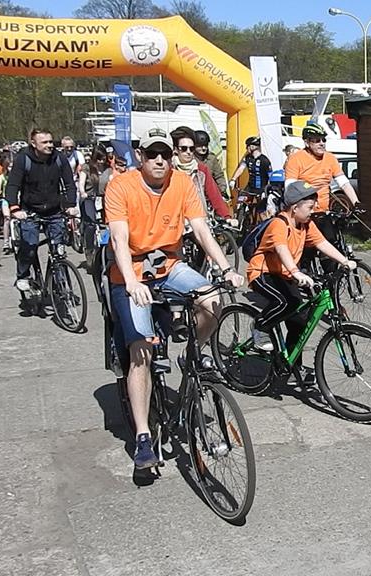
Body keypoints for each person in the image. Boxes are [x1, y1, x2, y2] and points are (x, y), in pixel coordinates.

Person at [104, 128, 244, 470]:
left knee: (213, 300)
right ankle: (142, 436)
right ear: (140, 156)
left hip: (169, 266)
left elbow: (201, 229)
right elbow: (119, 239)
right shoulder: (121, 186)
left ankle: (190, 353)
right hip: (131, 271)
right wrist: (132, 282)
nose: (159, 160)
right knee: (141, 351)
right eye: (152, 154)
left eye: (165, 154)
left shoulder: (181, 183)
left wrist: (226, 268)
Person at [246, 180, 357, 355]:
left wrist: (344, 261)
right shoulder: (279, 224)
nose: (313, 211)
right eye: (310, 207)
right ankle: (260, 326)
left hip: (285, 275)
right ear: (295, 207)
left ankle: (290, 365)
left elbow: (322, 243)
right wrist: (296, 272)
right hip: (263, 273)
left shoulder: (307, 224)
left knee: (299, 321)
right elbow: (281, 249)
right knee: (285, 303)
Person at [5, 128, 79, 294]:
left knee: (59, 249)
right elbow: (13, 185)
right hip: (30, 211)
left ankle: (60, 284)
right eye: (44, 142)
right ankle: (23, 276)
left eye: (51, 142)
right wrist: (14, 208)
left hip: (54, 210)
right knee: (30, 246)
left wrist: (70, 205)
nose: (49, 145)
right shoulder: (24, 159)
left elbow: (69, 183)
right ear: (33, 143)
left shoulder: (59, 158)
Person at [284, 123, 360, 271]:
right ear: (307, 142)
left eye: (323, 140)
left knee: (330, 246)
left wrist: (356, 203)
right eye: (317, 140)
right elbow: (290, 189)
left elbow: (344, 183)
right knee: (306, 251)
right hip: (304, 214)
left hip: (323, 213)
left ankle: (330, 279)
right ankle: (304, 273)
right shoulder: (296, 159)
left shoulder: (330, 158)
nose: (322, 143)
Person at [169, 126, 230, 220]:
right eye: (184, 148)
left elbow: (215, 195)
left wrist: (226, 216)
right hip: (174, 218)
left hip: (198, 217)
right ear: (176, 149)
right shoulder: (169, 168)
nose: (188, 152)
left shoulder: (201, 169)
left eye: (191, 148)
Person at [192, 129, 228, 199]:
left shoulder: (211, 158)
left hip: (210, 193)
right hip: (194, 193)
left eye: (205, 145)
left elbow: (219, 176)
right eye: (200, 146)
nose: (203, 148)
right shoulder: (190, 158)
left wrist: (222, 190)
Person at [0, 152, 14, 253]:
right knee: (7, 218)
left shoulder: (20, 176)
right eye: (9, 166)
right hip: (6, 199)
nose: (11, 168)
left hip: (18, 200)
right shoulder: (2, 177)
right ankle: (6, 242)